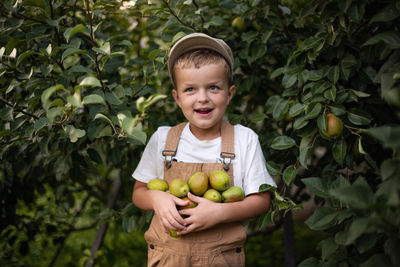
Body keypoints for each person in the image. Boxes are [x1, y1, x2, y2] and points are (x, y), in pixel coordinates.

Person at [132, 32, 276, 267]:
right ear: (177, 98)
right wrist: (156, 197)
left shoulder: (244, 139)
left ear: (229, 94)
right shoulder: (163, 139)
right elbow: (138, 192)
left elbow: (261, 200)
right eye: (190, 90)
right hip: (168, 258)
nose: (202, 98)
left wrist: (219, 213)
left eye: (213, 87)